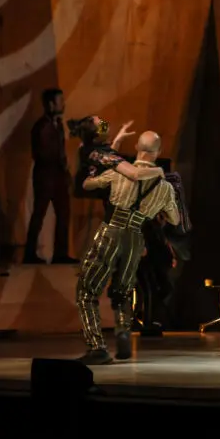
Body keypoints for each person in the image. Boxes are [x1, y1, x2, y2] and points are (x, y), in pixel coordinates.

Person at [75, 131, 180, 365]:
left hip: (111, 231)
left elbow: (88, 185)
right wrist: (160, 206)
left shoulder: (118, 171)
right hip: (135, 237)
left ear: (137, 148)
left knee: (86, 291)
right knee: (123, 288)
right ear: (159, 152)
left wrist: (94, 168)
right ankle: (123, 328)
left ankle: (97, 347)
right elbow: (174, 219)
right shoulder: (165, 187)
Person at [24, 89, 78, 264]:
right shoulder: (41, 126)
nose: (63, 104)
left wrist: (65, 170)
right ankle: (29, 254)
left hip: (58, 177)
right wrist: (60, 164)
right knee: (39, 214)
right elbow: (42, 154)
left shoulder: (58, 125)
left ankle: (60, 254)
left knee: (63, 213)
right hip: (45, 177)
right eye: (60, 101)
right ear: (51, 104)